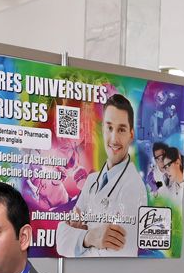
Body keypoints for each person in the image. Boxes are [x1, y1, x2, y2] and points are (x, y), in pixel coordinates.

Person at [57, 94, 145, 258]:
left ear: (131, 134)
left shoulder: (133, 186)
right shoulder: (92, 180)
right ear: (102, 129)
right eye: (109, 128)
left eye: (121, 129)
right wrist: (92, 237)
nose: (114, 138)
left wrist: (78, 239)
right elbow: (61, 243)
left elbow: (119, 254)